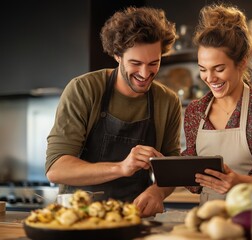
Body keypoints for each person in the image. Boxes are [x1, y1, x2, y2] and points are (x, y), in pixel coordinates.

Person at [45, 7, 182, 217]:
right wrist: (121, 167)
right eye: (135, 63)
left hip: (134, 220)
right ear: (117, 55)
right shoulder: (84, 89)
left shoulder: (168, 102)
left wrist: (158, 192)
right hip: (79, 218)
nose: (145, 74)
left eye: (154, 63)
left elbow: (171, 169)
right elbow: (56, 168)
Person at [181, 3, 252, 204]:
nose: (209, 78)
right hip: (210, 220)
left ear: (242, 62)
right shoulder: (195, 111)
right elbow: (193, 181)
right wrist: (168, 166)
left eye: (219, 68)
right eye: (203, 69)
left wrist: (239, 182)